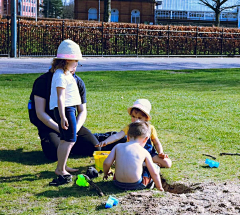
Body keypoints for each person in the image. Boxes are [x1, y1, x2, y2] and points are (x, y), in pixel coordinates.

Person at [29, 39, 100, 164]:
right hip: (50, 126)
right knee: (53, 153)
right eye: (75, 62)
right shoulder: (42, 82)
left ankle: (77, 142)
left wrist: (75, 129)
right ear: (65, 62)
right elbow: (40, 113)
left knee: (94, 147)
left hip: (71, 124)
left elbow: (82, 110)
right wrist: (60, 129)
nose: (76, 66)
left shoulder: (78, 82)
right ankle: (64, 147)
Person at [96, 99, 172, 168]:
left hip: (149, 154)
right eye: (133, 116)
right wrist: (106, 141)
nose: (136, 120)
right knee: (121, 159)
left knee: (167, 163)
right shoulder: (129, 127)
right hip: (132, 154)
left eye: (139, 118)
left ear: (146, 118)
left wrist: (161, 153)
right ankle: (146, 165)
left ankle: (145, 163)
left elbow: (156, 143)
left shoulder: (150, 128)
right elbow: (117, 136)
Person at [103, 121, 164, 191]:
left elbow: (106, 163)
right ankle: (151, 185)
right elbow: (154, 173)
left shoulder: (118, 146)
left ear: (128, 136)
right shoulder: (144, 151)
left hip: (117, 183)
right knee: (155, 167)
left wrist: (106, 173)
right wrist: (160, 187)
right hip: (137, 184)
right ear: (146, 139)